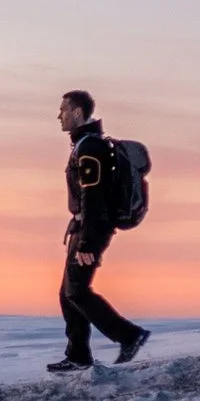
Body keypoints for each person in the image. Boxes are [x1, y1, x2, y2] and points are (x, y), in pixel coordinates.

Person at [48, 89, 151, 372]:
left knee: (77, 291)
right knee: (68, 291)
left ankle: (129, 335)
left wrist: (88, 243)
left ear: (78, 112)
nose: (59, 116)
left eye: (64, 110)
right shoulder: (86, 144)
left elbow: (93, 197)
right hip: (85, 226)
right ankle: (78, 355)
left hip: (92, 228)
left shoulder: (90, 148)